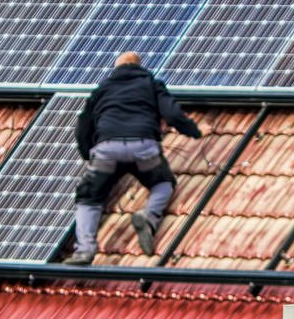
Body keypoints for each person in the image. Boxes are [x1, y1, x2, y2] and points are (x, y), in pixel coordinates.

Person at [65, 51, 201, 266]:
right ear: (140, 66)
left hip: (107, 150)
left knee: (89, 197)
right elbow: (172, 114)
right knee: (163, 183)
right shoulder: (151, 84)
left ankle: (85, 251)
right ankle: (149, 216)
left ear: (116, 68)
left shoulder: (102, 89)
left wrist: (86, 152)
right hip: (143, 147)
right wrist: (193, 131)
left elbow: (83, 125)